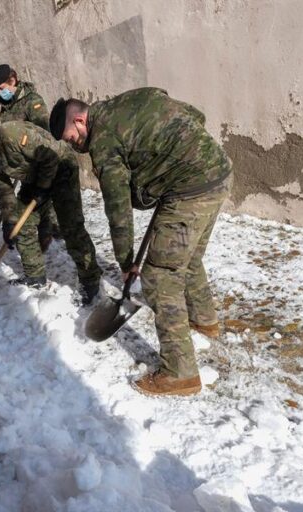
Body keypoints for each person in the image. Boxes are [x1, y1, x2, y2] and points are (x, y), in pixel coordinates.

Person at [49, 87, 233, 396]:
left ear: (80, 120)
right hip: (219, 172)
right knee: (186, 259)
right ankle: (204, 321)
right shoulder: (132, 100)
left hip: (189, 189)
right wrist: (168, 164)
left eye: (72, 137)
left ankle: (180, 373)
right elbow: (194, 115)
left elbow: (118, 209)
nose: (75, 144)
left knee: (159, 277)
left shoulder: (104, 143)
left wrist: (126, 262)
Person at [0, 123, 102, 303]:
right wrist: (9, 222)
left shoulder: (12, 136)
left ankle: (90, 279)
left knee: (70, 226)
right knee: (22, 224)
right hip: (33, 179)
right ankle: (35, 277)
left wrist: (43, 188)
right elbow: (5, 193)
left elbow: (51, 158)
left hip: (61, 167)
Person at [0, 64, 60, 254]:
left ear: (12, 80)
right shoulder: (5, 109)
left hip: (39, 158)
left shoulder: (32, 101)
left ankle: (51, 228)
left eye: (1, 88)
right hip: (24, 165)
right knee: (35, 199)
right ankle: (49, 227)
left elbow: (44, 133)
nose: (0, 92)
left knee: (43, 196)